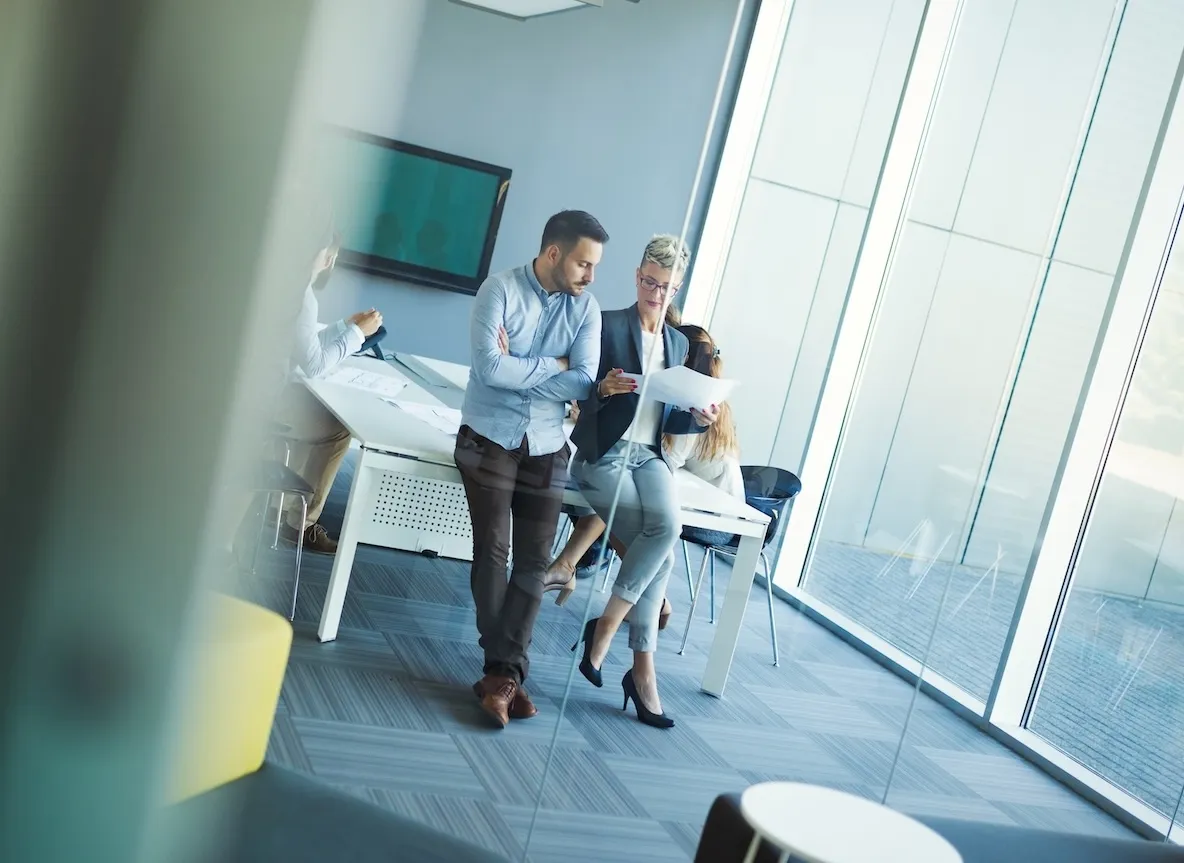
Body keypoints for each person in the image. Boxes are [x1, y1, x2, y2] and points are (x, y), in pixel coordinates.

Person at [457, 210, 607, 728]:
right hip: (488, 437)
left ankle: (501, 678)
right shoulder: (497, 291)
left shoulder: (587, 311)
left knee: (535, 560)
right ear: (553, 255)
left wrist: (524, 370)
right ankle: (507, 675)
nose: (590, 276)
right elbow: (488, 370)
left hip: (547, 444)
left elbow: (586, 380)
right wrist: (554, 368)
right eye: (584, 264)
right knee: (493, 549)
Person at [568, 234, 720, 729]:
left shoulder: (676, 344)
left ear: (677, 290)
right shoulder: (606, 324)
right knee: (663, 548)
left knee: (665, 530)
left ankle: (608, 627)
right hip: (605, 454)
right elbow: (575, 396)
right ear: (637, 276)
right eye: (650, 283)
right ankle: (639, 668)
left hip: (650, 457)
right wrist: (602, 390)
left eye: (667, 288)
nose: (657, 295)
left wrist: (699, 416)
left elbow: (669, 418)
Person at [546, 324, 741, 620]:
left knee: (621, 503)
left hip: (714, 517)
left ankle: (576, 569)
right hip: (691, 499)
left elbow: (665, 459)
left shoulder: (699, 403)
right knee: (618, 498)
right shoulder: (698, 392)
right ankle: (580, 571)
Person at [273, 237, 383, 553]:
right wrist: (358, 333)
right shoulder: (303, 297)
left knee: (318, 412)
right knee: (337, 429)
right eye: (328, 250)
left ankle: (280, 506)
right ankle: (300, 524)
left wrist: (344, 326)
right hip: (270, 406)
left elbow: (302, 344)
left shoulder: (287, 288)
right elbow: (315, 364)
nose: (332, 257)